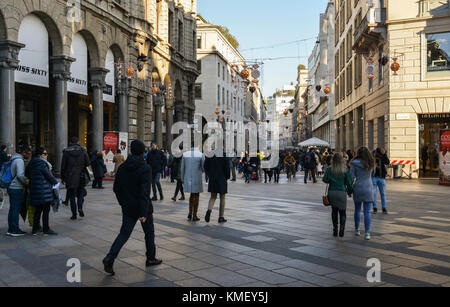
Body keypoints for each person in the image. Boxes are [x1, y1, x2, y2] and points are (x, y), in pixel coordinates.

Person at [103, 140, 162, 275]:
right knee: (149, 233)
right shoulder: (145, 168)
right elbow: (145, 192)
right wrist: (143, 212)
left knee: (124, 234)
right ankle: (151, 258)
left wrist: (123, 203)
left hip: (128, 208)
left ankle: (110, 257)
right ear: (142, 152)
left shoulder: (123, 167)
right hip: (143, 208)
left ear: (131, 151)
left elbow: (116, 188)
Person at [25, 147, 58, 235]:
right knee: (46, 211)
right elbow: (48, 175)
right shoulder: (41, 163)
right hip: (44, 191)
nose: (46, 156)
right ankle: (46, 229)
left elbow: (26, 173)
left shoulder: (31, 162)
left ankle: (35, 229)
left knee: (38, 210)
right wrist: (55, 182)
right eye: (45, 154)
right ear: (40, 155)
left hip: (35, 190)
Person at [323, 153, 353, 238]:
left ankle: (335, 230)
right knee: (342, 212)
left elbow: (324, 179)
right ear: (341, 160)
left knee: (334, 211)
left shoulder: (329, 169)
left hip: (332, 192)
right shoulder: (345, 169)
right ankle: (342, 230)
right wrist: (350, 191)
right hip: (341, 192)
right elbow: (349, 183)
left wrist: (330, 179)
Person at [61, 137, 90, 220]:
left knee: (72, 196)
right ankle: (80, 207)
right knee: (80, 194)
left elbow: (63, 166)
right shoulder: (83, 150)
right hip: (81, 175)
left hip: (70, 177)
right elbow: (88, 163)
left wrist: (63, 177)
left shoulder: (66, 152)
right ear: (77, 142)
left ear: (70, 142)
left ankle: (74, 215)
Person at [350, 147, 376, 240]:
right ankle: (367, 233)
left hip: (358, 187)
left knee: (357, 210)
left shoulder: (354, 164)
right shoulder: (371, 163)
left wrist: (349, 189)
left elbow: (351, 177)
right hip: (368, 188)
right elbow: (373, 174)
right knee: (367, 211)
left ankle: (357, 229)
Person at [5, 145, 31, 236]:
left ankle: (11, 229)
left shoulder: (13, 159)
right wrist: (26, 183)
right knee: (15, 209)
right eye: (28, 154)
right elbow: (20, 175)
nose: (29, 156)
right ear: (24, 153)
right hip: (16, 187)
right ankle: (14, 230)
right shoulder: (19, 160)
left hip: (11, 186)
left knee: (12, 209)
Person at [204, 153, 230, 223]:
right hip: (222, 178)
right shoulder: (224, 155)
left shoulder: (210, 155)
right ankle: (221, 217)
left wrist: (210, 175)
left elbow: (205, 167)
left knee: (213, 197)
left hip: (212, 178)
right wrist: (227, 177)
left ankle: (209, 211)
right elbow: (227, 168)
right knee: (222, 198)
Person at [181, 146, 204, 221]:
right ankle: (194, 214)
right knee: (196, 195)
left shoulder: (185, 154)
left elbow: (182, 168)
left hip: (188, 177)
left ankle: (190, 213)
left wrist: (182, 178)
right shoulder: (200, 154)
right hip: (197, 177)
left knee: (191, 195)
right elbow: (203, 168)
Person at [372, 147, 390, 214]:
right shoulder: (372, 155)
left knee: (383, 193)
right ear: (377, 152)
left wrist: (385, 154)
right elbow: (369, 164)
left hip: (382, 177)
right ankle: (375, 207)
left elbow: (387, 162)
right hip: (374, 177)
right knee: (374, 193)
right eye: (380, 155)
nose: (380, 156)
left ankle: (384, 208)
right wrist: (375, 166)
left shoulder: (383, 155)